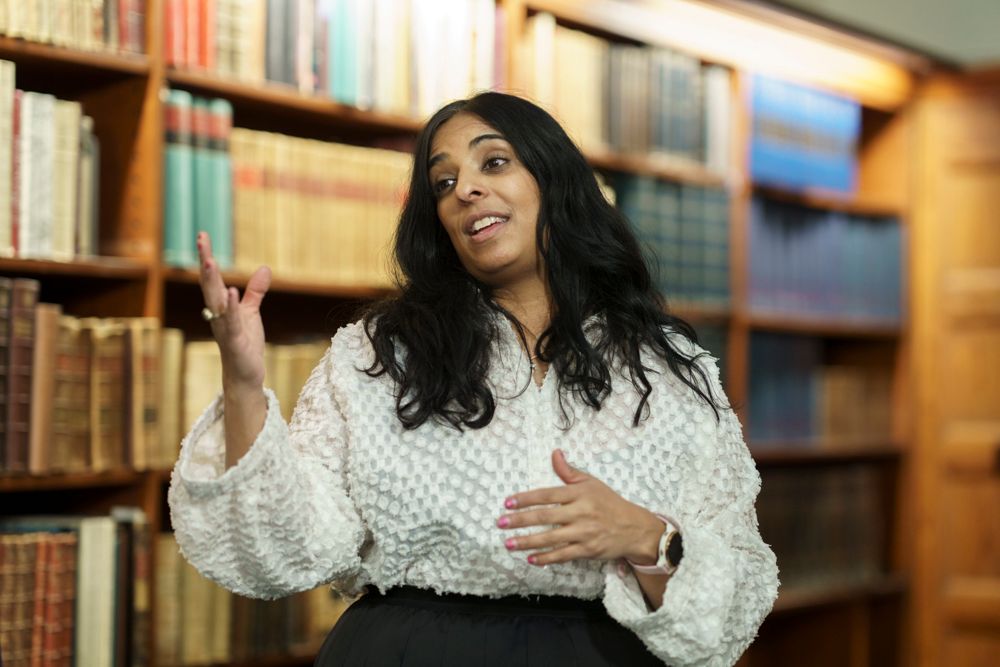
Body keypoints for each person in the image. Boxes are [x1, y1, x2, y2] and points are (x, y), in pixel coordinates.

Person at [169, 91, 779, 666]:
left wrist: (647, 536)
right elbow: (281, 550)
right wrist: (243, 384)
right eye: (444, 183)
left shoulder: (666, 367)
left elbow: (737, 599)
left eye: (494, 162)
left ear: (554, 181)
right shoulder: (380, 354)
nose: (465, 190)